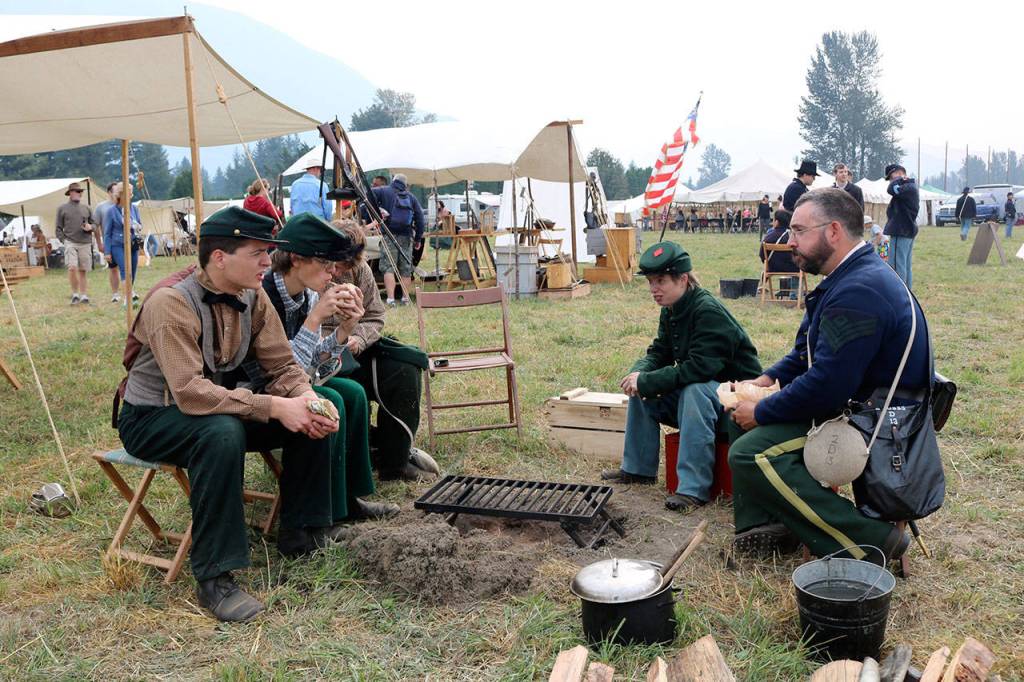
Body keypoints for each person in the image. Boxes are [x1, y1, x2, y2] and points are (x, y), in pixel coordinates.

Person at [116, 206, 338, 622]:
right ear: (220, 257)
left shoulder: (252, 296)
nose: (268, 263)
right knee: (221, 433)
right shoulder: (170, 302)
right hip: (152, 417)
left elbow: (282, 365)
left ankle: (303, 530)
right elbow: (189, 393)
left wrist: (306, 398)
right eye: (257, 253)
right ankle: (215, 578)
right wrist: (274, 406)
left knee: (308, 412)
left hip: (212, 405)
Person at [728, 188, 928, 564]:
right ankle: (770, 527)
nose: (789, 242)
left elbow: (826, 387)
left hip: (878, 421)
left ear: (833, 231)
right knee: (739, 418)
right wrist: (764, 382)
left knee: (752, 453)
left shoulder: (858, 291)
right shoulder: (845, 277)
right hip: (857, 402)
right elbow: (805, 355)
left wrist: (763, 411)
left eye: (799, 231)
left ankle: (868, 543)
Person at [601, 242, 762, 511]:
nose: (654, 289)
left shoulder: (707, 311)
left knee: (695, 390)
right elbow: (660, 351)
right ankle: (638, 469)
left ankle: (692, 490)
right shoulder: (673, 307)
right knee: (645, 390)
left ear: (683, 279)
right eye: (651, 282)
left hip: (738, 400)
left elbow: (699, 369)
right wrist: (638, 374)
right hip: (708, 397)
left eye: (661, 281)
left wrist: (648, 379)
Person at [260, 213, 399, 522]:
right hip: (263, 391)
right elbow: (284, 371)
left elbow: (313, 365)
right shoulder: (265, 296)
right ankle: (319, 514)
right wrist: (315, 320)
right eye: (326, 265)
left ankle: (348, 498)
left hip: (291, 383)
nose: (333, 273)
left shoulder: (306, 293)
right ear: (296, 259)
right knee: (333, 400)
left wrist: (345, 330)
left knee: (353, 393)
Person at [329, 219, 437, 482]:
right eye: (337, 263)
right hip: (319, 360)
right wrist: (335, 339)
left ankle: (395, 461)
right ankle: (364, 453)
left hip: (356, 352)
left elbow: (375, 316)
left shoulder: (360, 269)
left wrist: (357, 339)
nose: (338, 270)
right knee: (350, 391)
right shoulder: (310, 269)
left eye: (346, 265)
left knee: (404, 370)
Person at [368, 173, 425, 307]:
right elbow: (420, 219)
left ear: (394, 181)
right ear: (405, 184)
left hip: (389, 234)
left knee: (388, 267)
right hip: (406, 236)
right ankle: (405, 298)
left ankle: (391, 299)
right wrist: (417, 239)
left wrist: (377, 210)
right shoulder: (411, 197)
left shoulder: (383, 190)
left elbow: (368, 194)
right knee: (406, 268)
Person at [55, 182, 98, 305]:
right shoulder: (62, 208)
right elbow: (58, 228)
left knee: (83, 270)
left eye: (80, 191)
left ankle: (84, 295)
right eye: (76, 191)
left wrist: (90, 227)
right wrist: (64, 240)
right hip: (70, 242)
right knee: (72, 267)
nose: (79, 193)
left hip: (85, 242)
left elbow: (95, 224)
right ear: (70, 193)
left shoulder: (87, 208)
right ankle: (75, 294)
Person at [102, 183, 142, 303]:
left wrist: (136, 225)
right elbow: (107, 233)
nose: (130, 195)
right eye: (127, 192)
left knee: (133, 270)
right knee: (125, 269)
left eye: (131, 192)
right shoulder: (111, 211)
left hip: (132, 243)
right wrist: (107, 252)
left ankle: (129, 292)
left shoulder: (134, 208)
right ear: (120, 194)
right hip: (117, 244)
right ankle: (128, 299)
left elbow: (140, 224)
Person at [883, 164, 919, 287]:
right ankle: (907, 293)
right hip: (906, 229)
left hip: (901, 229)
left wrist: (899, 178)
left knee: (897, 266)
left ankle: (900, 294)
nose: (890, 180)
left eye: (891, 177)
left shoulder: (907, 187)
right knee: (905, 265)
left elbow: (890, 189)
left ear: (898, 173)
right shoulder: (909, 186)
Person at [94, 182, 123, 302]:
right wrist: (99, 243)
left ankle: (129, 291)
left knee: (127, 267)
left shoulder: (123, 205)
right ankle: (115, 293)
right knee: (113, 268)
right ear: (109, 192)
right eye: (115, 191)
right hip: (109, 242)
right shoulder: (101, 207)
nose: (117, 193)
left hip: (123, 241)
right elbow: (95, 226)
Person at [760, 209, 799, 298]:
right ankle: (793, 294)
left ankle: (761, 285)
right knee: (798, 267)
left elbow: (762, 255)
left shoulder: (768, 236)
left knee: (767, 265)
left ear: (776, 222)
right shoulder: (792, 236)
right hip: (793, 268)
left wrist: (768, 263)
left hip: (772, 268)